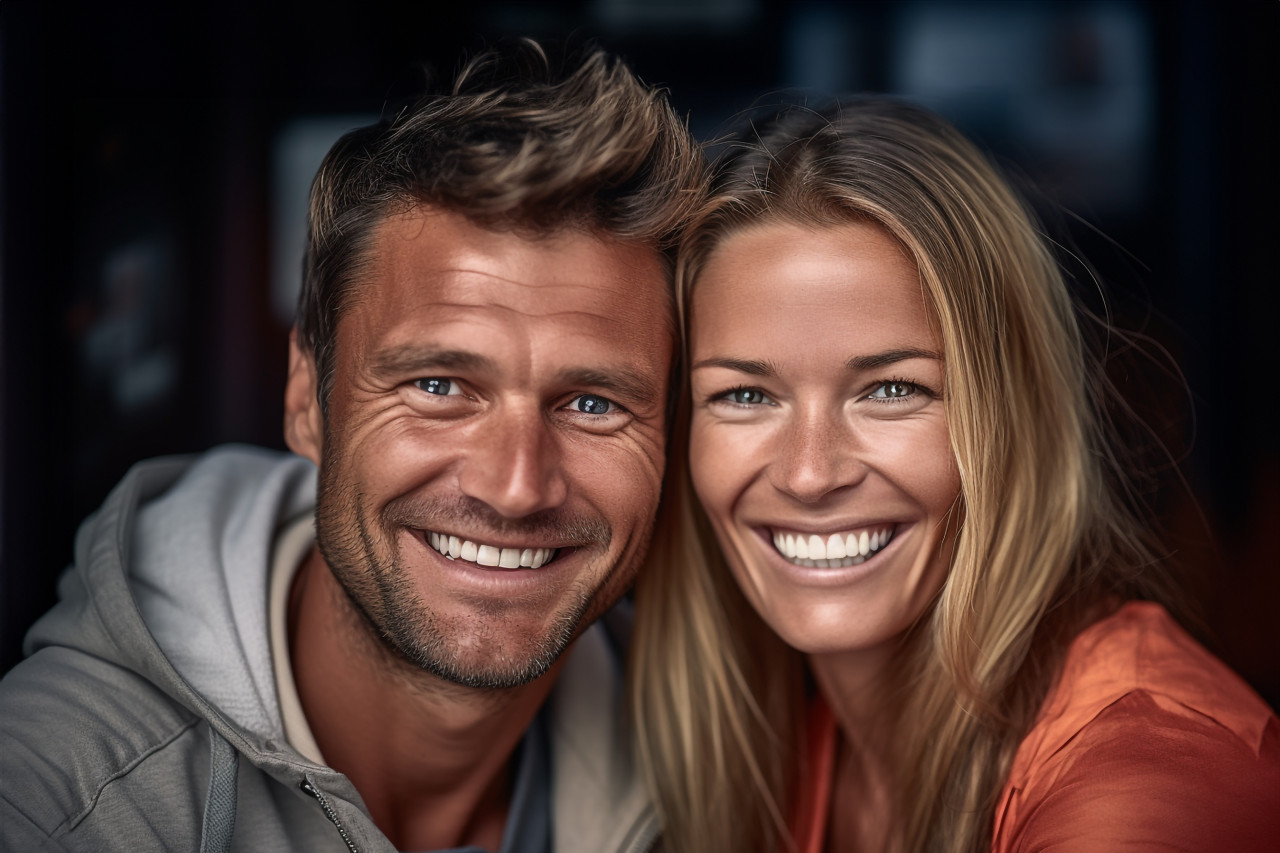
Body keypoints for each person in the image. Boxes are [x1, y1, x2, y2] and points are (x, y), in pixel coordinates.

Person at [0, 41, 702, 852]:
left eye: (592, 402)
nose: (516, 486)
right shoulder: (51, 808)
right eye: (438, 386)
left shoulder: (720, 777)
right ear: (307, 400)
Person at [631, 97, 1280, 853]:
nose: (809, 473)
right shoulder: (789, 746)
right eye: (744, 394)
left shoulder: (1143, 779)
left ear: (1012, 414)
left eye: (891, 389)